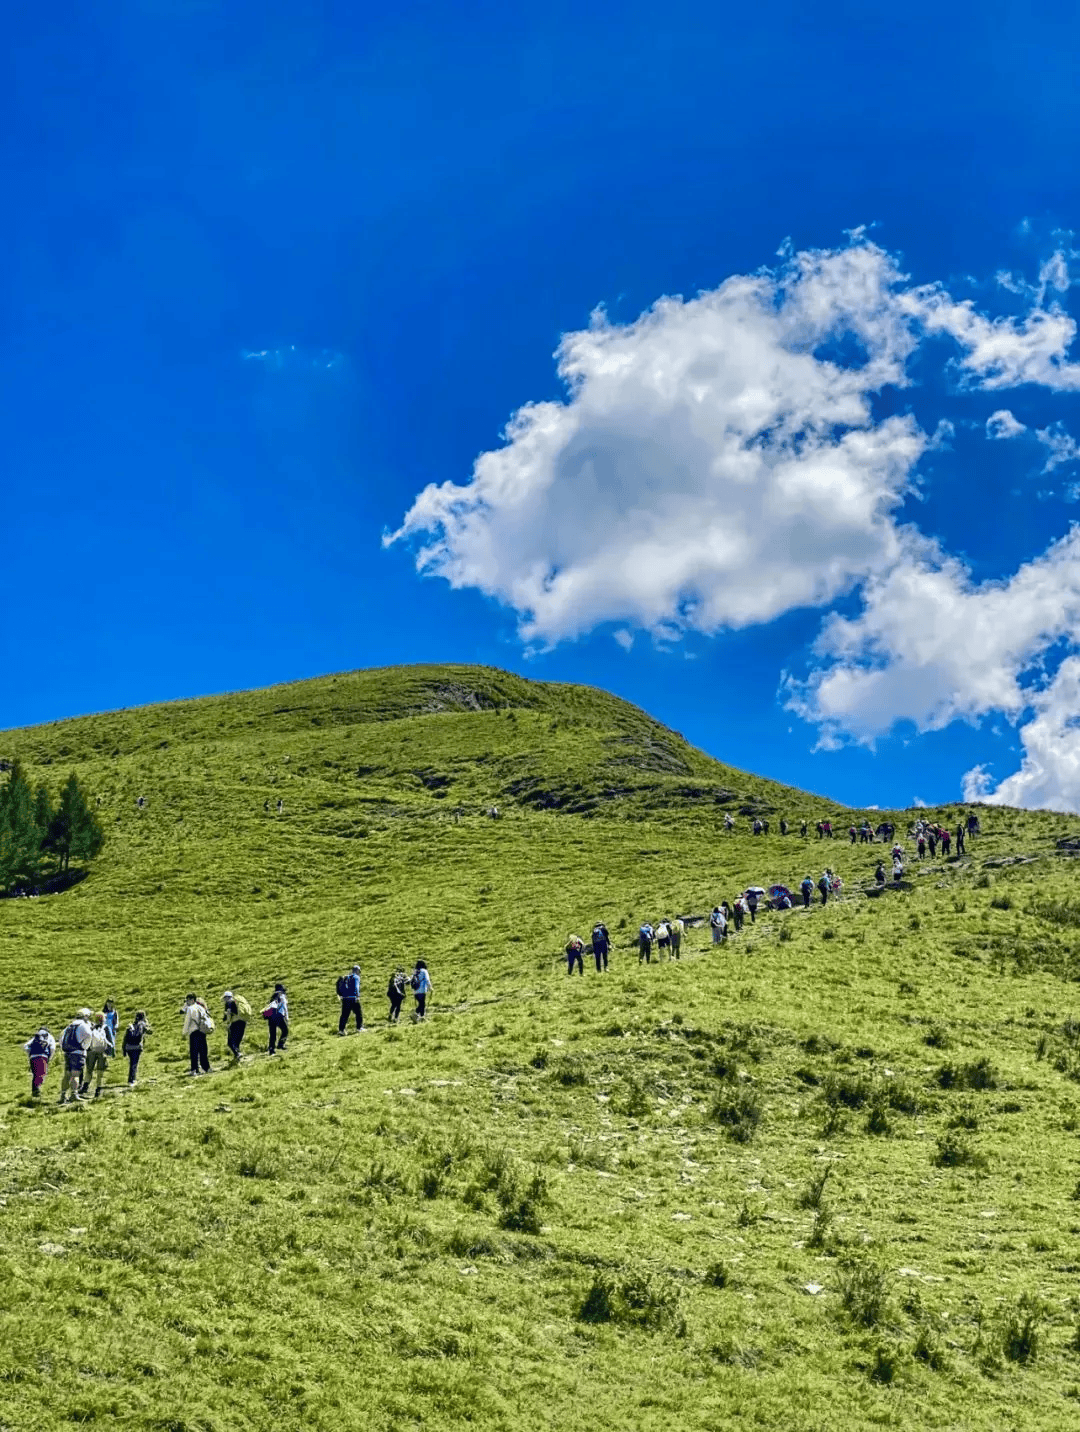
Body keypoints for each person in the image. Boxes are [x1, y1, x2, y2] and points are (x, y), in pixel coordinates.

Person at [58, 1009, 93, 1103]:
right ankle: (74, 1094)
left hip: (67, 1053)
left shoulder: (68, 1027)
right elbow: (89, 1035)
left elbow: (61, 1038)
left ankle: (63, 1095)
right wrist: (84, 1047)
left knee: (66, 1075)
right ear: (85, 1016)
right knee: (75, 1075)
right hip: (78, 1054)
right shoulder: (83, 1026)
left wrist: (64, 1049)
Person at [181, 994, 213, 1075]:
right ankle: (207, 1068)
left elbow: (187, 1022)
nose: (187, 1002)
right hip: (202, 1031)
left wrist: (184, 1033)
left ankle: (194, 1069)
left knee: (194, 1052)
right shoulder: (201, 1008)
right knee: (203, 1051)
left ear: (192, 1000)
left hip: (194, 1032)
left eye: (188, 1000)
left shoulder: (190, 1009)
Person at [84, 1012, 114, 1099]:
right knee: (100, 1072)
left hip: (92, 1051)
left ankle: (85, 1087)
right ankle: (98, 1090)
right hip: (102, 1052)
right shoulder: (106, 1028)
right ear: (104, 1019)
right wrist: (110, 1052)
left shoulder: (91, 1028)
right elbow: (110, 1041)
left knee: (89, 1070)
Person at [23, 1027, 56, 1099]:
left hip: (33, 1057)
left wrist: (30, 1053)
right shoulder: (49, 1036)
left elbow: (25, 1046)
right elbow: (52, 1048)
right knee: (42, 1074)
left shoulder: (35, 1037)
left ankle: (35, 1092)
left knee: (35, 1074)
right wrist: (49, 1058)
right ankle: (37, 1092)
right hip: (42, 1056)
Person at [122, 1011, 152, 1084]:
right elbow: (150, 1032)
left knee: (132, 1063)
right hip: (137, 1047)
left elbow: (125, 1038)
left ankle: (131, 1079)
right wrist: (147, 1023)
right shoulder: (142, 1024)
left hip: (128, 1047)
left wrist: (123, 1049)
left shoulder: (131, 1025)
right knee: (134, 1064)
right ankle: (132, 1080)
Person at [222, 992, 250, 1059]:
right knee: (237, 1041)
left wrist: (228, 1023)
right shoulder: (237, 1002)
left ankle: (237, 1054)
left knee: (230, 1042)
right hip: (243, 1022)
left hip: (235, 1023)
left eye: (224, 998)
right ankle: (238, 1056)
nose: (224, 999)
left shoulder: (229, 1003)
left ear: (227, 997)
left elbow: (229, 1013)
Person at [338, 965, 363, 1032]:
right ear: (357, 970)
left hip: (345, 998)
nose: (359, 973)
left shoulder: (346, 977)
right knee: (359, 1013)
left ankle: (341, 1030)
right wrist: (357, 996)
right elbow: (356, 987)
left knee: (344, 1015)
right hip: (353, 998)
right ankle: (359, 1028)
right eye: (359, 971)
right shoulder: (356, 977)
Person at [265, 984, 289, 1053]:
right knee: (285, 1030)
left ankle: (271, 1049)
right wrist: (286, 1017)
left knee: (273, 1034)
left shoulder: (273, 996)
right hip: (278, 1015)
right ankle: (280, 1044)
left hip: (271, 1016)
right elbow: (284, 1007)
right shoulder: (281, 995)